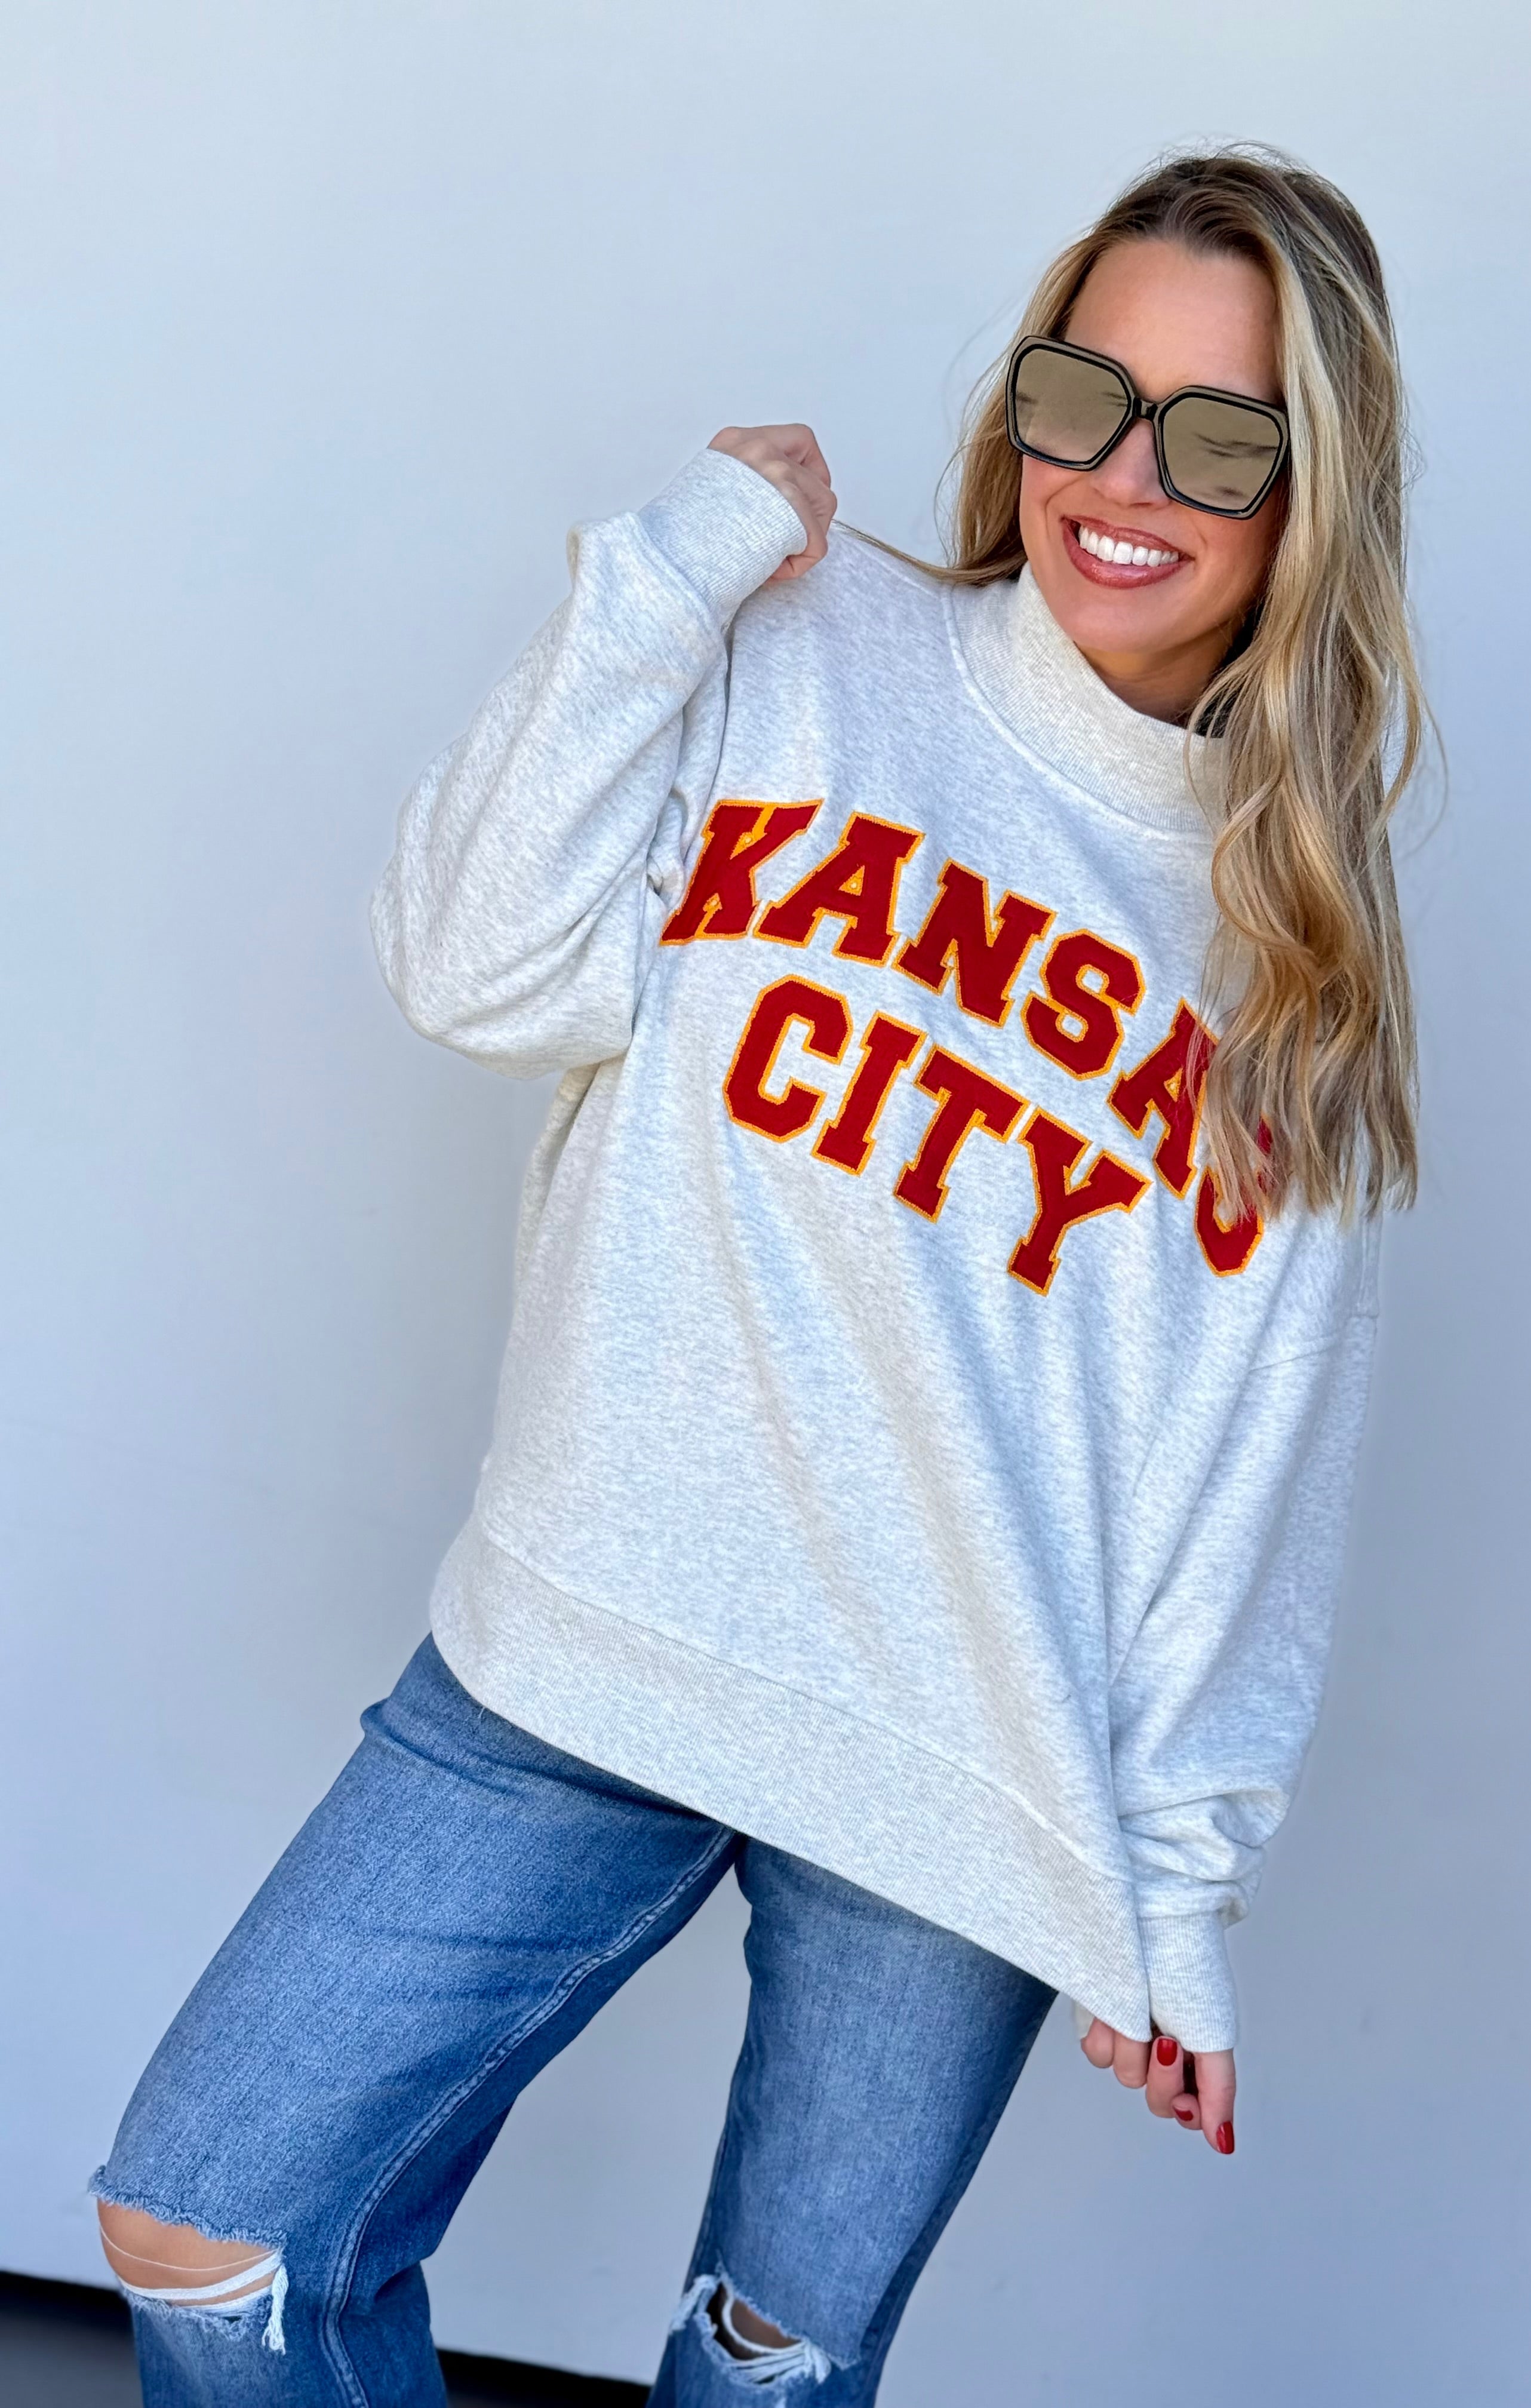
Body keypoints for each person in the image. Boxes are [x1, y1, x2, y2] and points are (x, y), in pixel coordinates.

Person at [92, 145, 1426, 2404]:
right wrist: (671, 569)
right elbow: (472, 961)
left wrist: (1180, 1886)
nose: (1126, 481)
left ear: (1315, 497)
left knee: (770, 2374)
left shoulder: (1289, 940)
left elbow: (1252, 1459)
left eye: (1221, 438)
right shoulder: (809, 652)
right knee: (216, 2223)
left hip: (963, 1756)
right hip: (602, 1625)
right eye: (1083, 395)